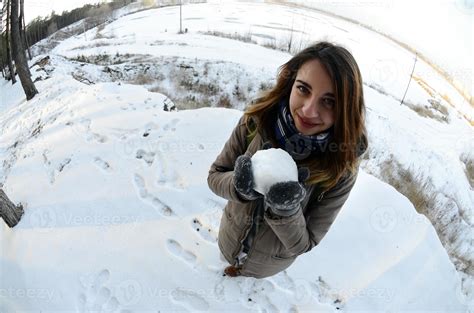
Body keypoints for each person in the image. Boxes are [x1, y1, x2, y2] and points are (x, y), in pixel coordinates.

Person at [207, 41, 368, 278]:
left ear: (346, 108)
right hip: (229, 238)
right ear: (290, 85)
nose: (309, 110)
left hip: (267, 265)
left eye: (329, 101)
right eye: (303, 89)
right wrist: (238, 187)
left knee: (247, 283)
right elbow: (215, 176)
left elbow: (305, 243)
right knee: (224, 264)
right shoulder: (255, 122)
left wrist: (286, 211)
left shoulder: (341, 168)